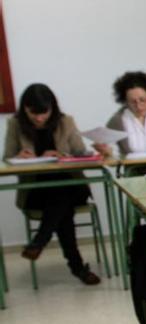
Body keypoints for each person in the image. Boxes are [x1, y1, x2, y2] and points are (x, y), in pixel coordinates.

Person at [2, 83, 100, 285]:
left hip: (73, 185)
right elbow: (7, 157)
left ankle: (40, 242)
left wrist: (63, 154)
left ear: (52, 108)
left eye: (44, 113)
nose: (39, 118)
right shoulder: (15, 124)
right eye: (33, 113)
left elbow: (80, 153)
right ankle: (77, 267)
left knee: (61, 193)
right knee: (61, 206)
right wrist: (20, 156)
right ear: (25, 109)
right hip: (36, 191)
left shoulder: (66, 122)